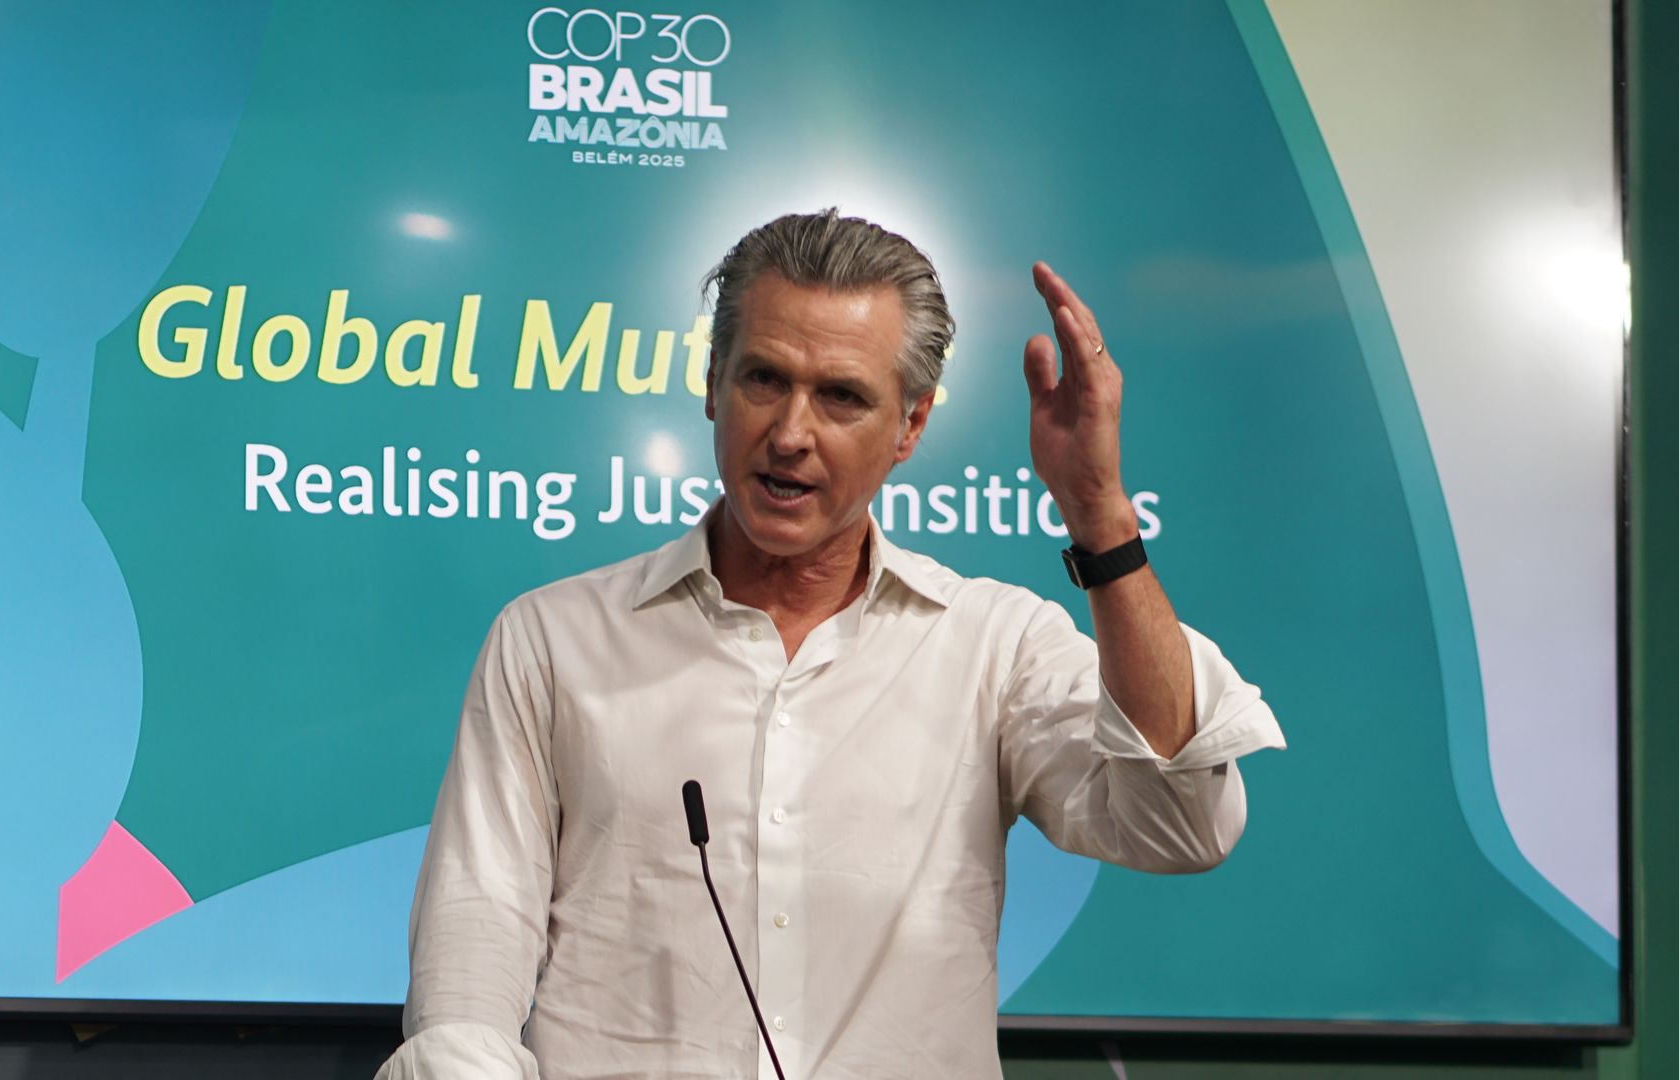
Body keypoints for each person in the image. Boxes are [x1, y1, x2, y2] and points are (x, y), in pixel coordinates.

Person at [377, 210, 1284, 1080]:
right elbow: (473, 949)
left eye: (842, 396)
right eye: (763, 379)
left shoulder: (991, 645)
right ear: (711, 382)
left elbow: (1179, 824)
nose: (790, 433)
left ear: (911, 426)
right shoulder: (552, 640)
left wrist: (1098, 514)